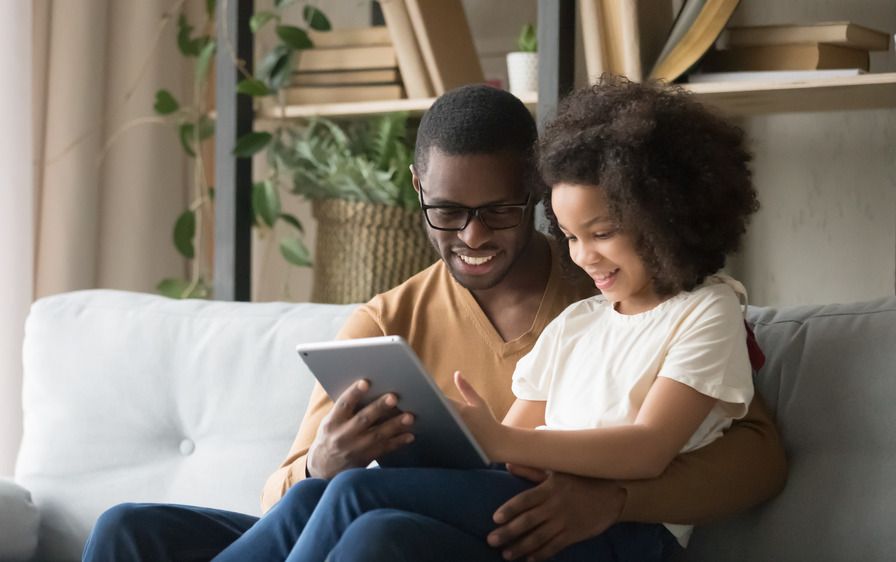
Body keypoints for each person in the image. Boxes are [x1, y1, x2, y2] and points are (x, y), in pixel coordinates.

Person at [83, 82, 786, 562]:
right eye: (448, 212)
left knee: (375, 524)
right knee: (128, 530)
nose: (474, 236)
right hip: (398, 514)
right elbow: (284, 496)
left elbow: (753, 457)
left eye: (500, 212)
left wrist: (618, 502)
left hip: (535, 530)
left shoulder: (619, 293)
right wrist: (321, 461)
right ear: (419, 191)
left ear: (533, 194)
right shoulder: (385, 323)